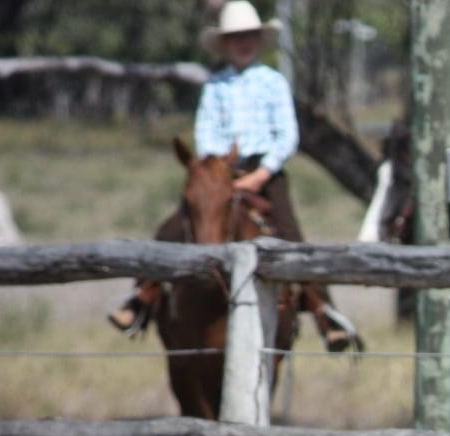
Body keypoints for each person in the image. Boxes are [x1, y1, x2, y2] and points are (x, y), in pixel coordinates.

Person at [108, 1, 361, 352]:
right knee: (174, 226)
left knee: (291, 234)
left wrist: (261, 174)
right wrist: (221, 175)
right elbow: (206, 134)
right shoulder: (215, 86)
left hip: (265, 171)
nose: (244, 43)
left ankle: (323, 311)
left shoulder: (273, 82)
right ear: (225, 43)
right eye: (236, 37)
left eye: (250, 36)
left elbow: (287, 135)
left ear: (259, 39)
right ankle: (143, 295)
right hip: (218, 174)